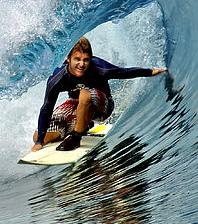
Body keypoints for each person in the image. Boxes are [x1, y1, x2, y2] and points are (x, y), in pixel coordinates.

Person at [31, 37, 167, 152]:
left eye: (86, 60)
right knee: (39, 135)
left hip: (103, 106)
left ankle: (76, 136)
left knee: (84, 94)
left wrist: (150, 72)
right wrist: (39, 142)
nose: (81, 64)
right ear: (68, 59)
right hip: (78, 106)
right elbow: (47, 108)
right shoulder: (58, 78)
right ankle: (82, 125)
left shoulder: (99, 67)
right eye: (77, 59)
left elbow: (124, 72)